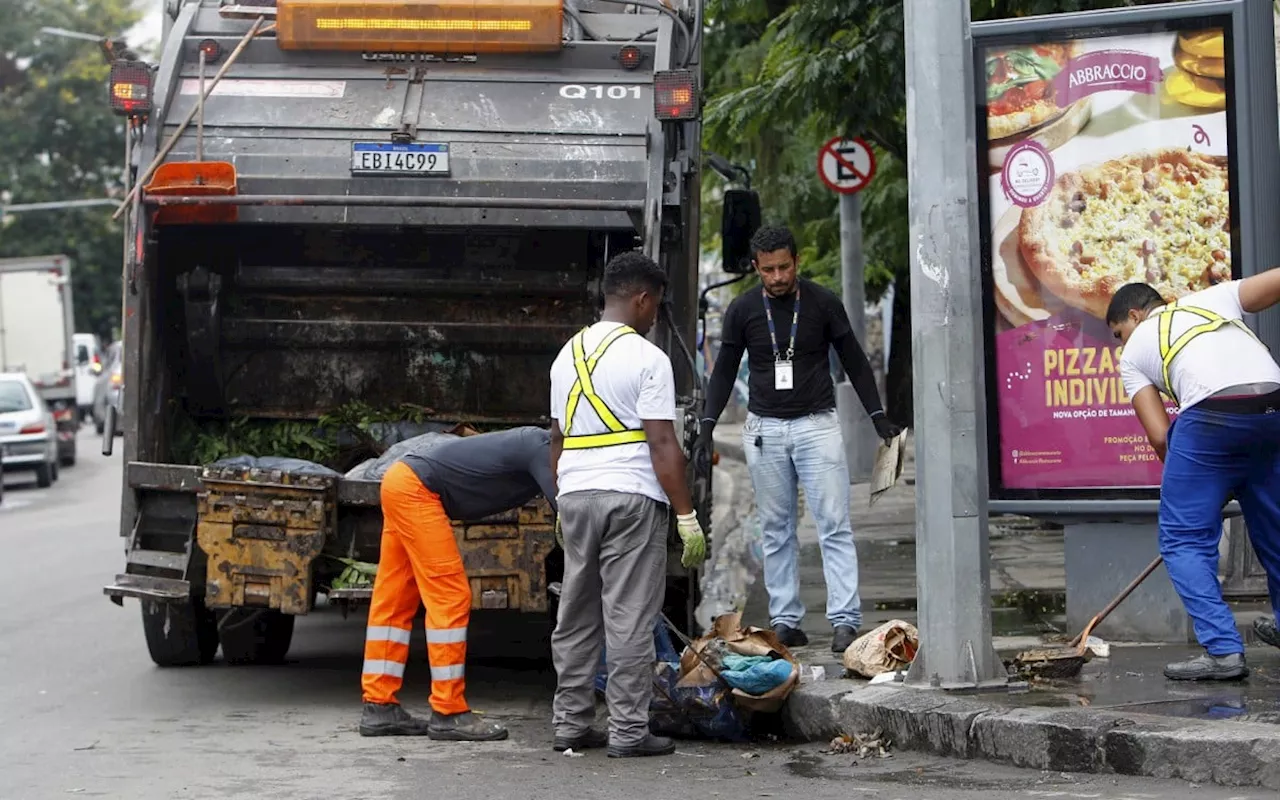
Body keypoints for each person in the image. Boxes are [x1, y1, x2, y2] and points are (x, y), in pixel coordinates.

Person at [697, 225, 901, 654]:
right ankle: (785, 620)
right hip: (765, 430)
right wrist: (708, 423)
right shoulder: (742, 309)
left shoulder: (823, 302)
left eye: (784, 267)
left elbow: (855, 361)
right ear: (756, 268)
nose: (777, 277)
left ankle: (845, 621)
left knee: (834, 526)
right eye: (768, 269)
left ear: (797, 262)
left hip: (817, 426)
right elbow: (725, 369)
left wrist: (877, 416)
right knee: (775, 529)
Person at [548, 250, 706, 758]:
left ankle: (570, 725)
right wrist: (686, 517)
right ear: (641, 299)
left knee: (575, 616)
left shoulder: (565, 354)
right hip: (631, 498)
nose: (655, 316)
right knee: (630, 618)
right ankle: (629, 732)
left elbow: (557, 439)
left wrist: (561, 503)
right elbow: (663, 443)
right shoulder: (647, 358)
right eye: (655, 306)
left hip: (575, 495)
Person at [1108, 273, 1280, 681]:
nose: (1121, 343)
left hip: (1212, 414)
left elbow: (1159, 435)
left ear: (1135, 314)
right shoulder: (1214, 297)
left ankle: (1222, 650)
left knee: (1182, 537)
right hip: (1274, 404)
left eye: (1119, 333)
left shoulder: (1133, 356)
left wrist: (1198, 489)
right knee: (1275, 525)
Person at [359, 427, 558, 739]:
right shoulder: (543, 447)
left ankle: (379, 705)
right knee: (450, 597)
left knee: (396, 597)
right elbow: (567, 507)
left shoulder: (533, 443)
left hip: (401, 480)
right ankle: (448, 710)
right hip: (417, 489)